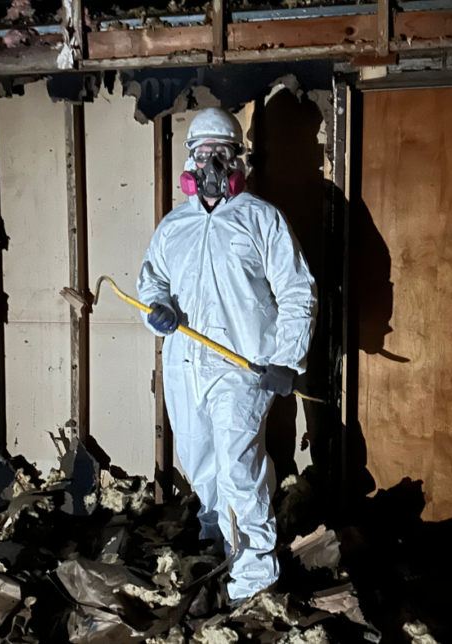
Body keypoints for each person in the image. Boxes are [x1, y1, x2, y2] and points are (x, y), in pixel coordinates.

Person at [137, 107, 317, 604]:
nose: (211, 162)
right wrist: (158, 309)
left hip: (242, 366)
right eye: (202, 153)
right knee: (201, 464)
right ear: (189, 162)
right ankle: (219, 545)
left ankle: (255, 574)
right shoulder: (174, 226)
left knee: (239, 467)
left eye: (220, 151)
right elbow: (151, 281)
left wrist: (287, 359)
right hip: (185, 364)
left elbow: (297, 290)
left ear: (238, 157)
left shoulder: (262, 219)